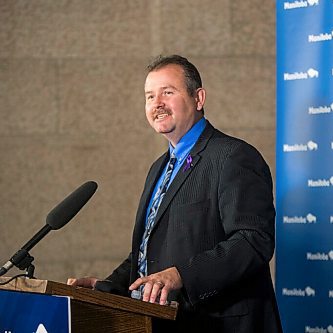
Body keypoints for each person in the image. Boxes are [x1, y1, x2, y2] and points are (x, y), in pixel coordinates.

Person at [67, 55, 283, 333]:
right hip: (166, 323)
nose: (157, 104)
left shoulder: (233, 157)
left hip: (220, 324)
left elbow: (253, 241)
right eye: (149, 96)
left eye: (167, 92)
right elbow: (151, 250)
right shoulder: (159, 167)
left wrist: (183, 275)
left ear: (199, 98)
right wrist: (108, 287)